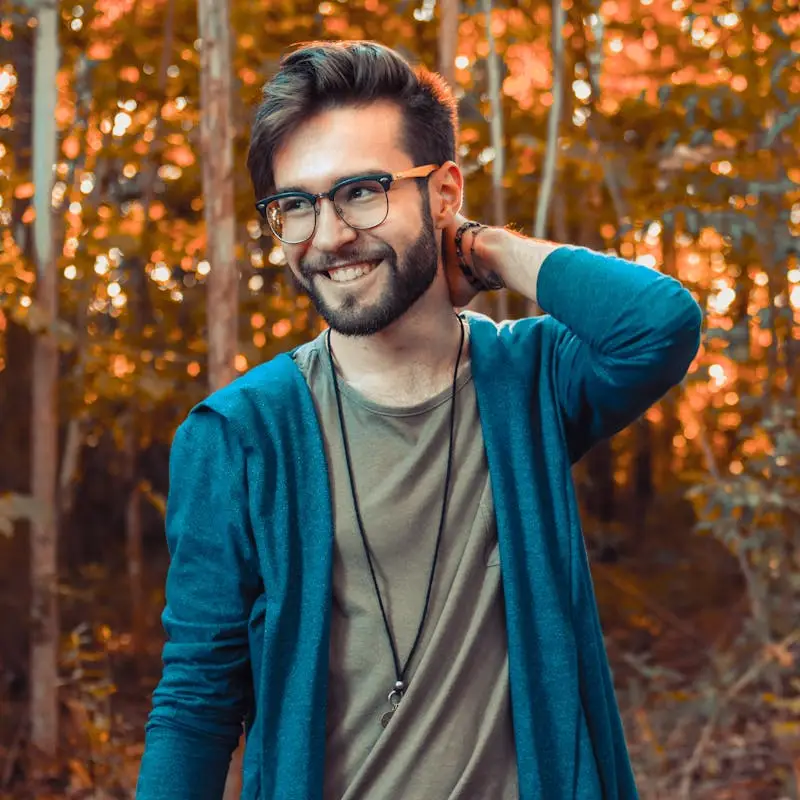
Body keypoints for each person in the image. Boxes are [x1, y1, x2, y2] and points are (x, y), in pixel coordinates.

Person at [136, 40, 702, 800]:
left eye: (362, 191)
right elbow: (197, 703)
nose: (329, 235)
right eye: (295, 205)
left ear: (442, 193)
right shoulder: (239, 435)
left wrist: (487, 248)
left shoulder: (531, 382)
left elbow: (658, 324)